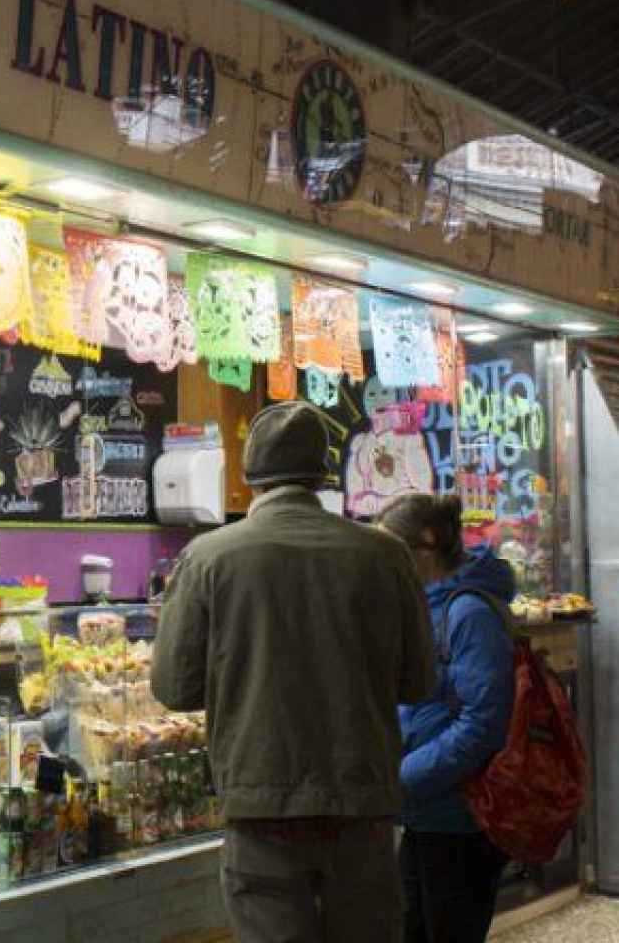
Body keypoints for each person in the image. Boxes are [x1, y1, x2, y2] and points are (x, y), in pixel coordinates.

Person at [151, 401, 437, 943]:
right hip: (363, 803)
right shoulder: (386, 554)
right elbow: (420, 681)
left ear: (250, 474)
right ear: (322, 471)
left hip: (260, 810)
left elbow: (172, 688)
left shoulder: (208, 557)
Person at [376, 494, 516, 943]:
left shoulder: (468, 612)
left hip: (462, 816)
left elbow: (482, 725)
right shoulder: (423, 607)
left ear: (428, 543)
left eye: (390, 551)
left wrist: (403, 777)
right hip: (423, 813)